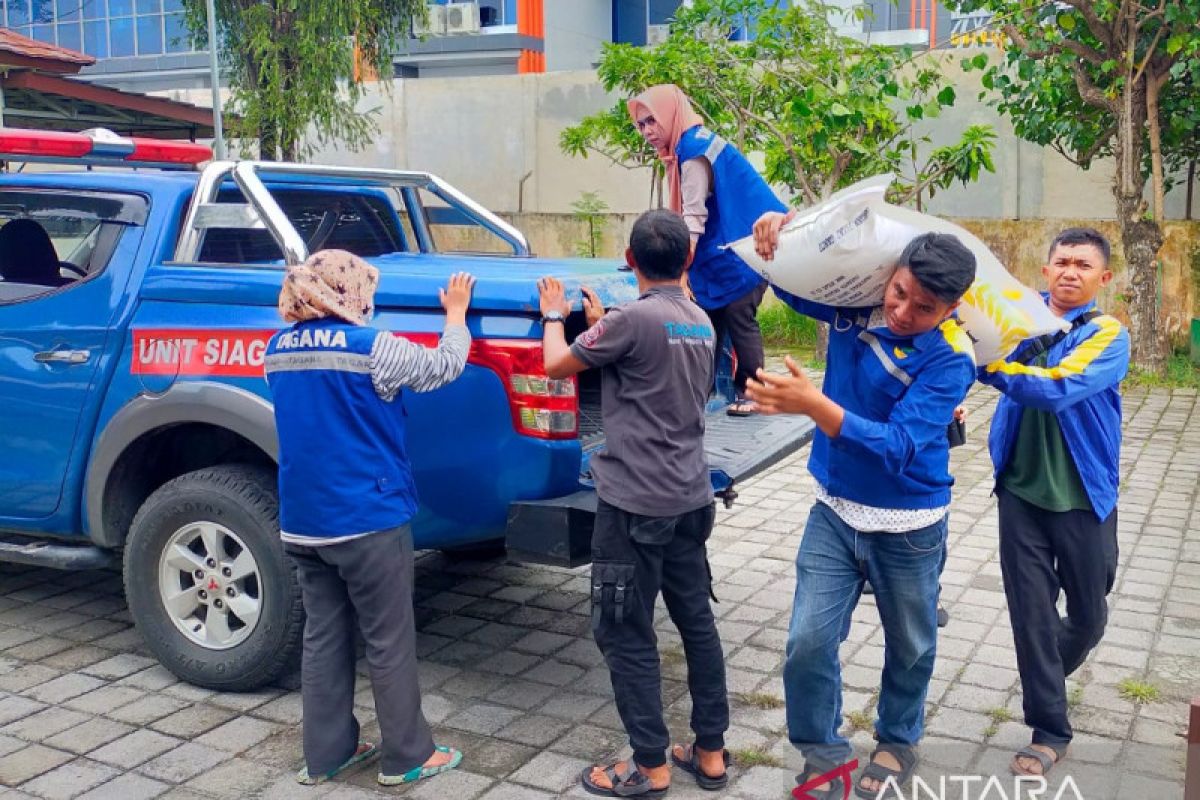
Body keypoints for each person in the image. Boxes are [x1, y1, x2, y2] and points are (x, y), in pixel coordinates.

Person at [748, 219, 978, 800]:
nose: (902, 311)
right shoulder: (854, 308)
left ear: (952, 308)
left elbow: (899, 447)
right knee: (807, 642)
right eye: (899, 292)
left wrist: (814, 406)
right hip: (833, 510)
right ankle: (823, 755)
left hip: (909, 524)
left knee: (911, 643)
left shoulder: (951, 358)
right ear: (889, 276)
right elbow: (792, 285)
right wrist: (784, 232)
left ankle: (898, 738)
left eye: (924, 307)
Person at [537, 210, 729, 797]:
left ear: (629, 257)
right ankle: (711, 751)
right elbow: (647, 364)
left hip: (634, 506)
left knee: (625, 631)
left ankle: (649, 765)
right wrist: (605, 325)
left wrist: (554, 315)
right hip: (691, 498)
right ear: (687, 260)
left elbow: (556, 363)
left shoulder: (632, 319)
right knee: (696, 623)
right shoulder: (698, 320)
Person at [264, 249, 473, 788]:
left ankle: (326, 754)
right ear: (348, 292)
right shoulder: (372, 347)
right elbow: (443, 367)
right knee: (389, 639)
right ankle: (407, 756)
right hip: (368, 520)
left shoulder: (276, 349)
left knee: (324, 637)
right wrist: (456, 314)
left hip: (304, 522)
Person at [977, 227, 1128, 779]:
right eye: (1061, 261)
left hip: (1084, 496)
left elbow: (1059, 385)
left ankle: (1043, 672)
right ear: (1046, 269)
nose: (1069, 272)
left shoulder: (1110, 335)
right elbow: (969, 337)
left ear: (1102, 278)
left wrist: (990, 368)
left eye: (1082, 266)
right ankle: (1049, 728)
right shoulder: (1017, 317)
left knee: (1088, 614)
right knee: (1032, 615)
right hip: (1020, 491)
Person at [628, 83, 787, 416]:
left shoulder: (693, 150)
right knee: (706, 321)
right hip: (729, 251)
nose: (647, 131)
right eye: (641, 124)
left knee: (737, 316)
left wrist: (678, 270)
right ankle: (693, 396)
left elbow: (693, 218)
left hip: (745, 251)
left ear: (671, 115)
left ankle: (753, 393)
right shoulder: (690, 145)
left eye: (652, 121)